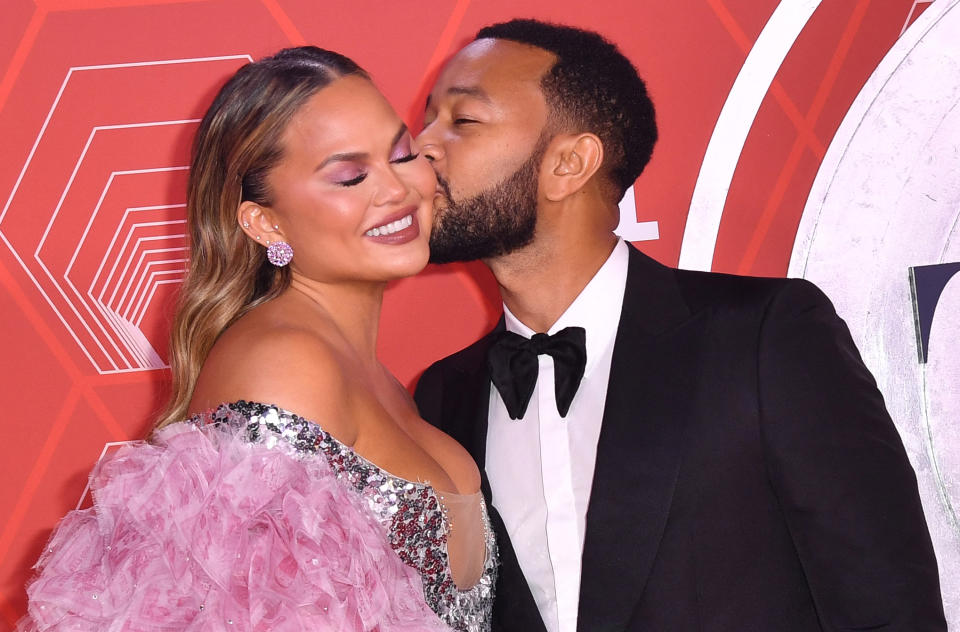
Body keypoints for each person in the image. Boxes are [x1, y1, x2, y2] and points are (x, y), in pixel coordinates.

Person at [413, 18, 946, 632]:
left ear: (570, 163)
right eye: (427, 120)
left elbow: (889, 610)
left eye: (463, 120)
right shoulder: (443, 395)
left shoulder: (764, 339)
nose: (421, 146)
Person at [20, 46, 495, 632]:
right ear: (265, 222)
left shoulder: (370, 375)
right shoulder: (285, 364)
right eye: (351, 175)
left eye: (401, 154)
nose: (397, 188)